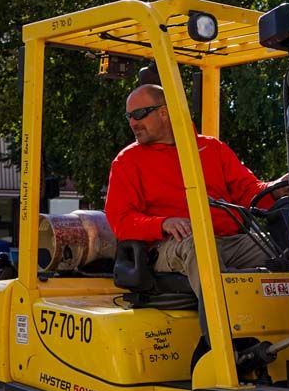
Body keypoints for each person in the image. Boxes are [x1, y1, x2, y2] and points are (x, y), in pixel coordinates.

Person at [104, 84, 274, 302]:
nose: (132, 123)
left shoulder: (212, 149)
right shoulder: (128, 161)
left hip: (226, 241)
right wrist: (162, 223)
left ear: (164, 112)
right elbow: (121, 220)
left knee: (283, 248)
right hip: (170, 247)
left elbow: (249, 191)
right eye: (129, 116)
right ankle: (221, 330)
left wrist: (278, 189)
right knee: (197, 246)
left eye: (138, 114)